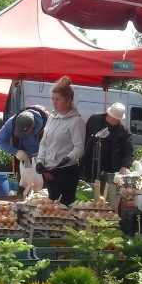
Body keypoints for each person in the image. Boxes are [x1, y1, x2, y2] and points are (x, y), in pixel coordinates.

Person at [35, 76, 86, 205]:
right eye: (53, 99)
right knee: (50, 209)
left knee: (63, 211)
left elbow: (79, 148)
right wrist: (40, 160)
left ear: (68, 100)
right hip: (49, 171)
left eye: (58, 99)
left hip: (66, 173)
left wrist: (68, 158)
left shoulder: (76, 121)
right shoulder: (52, 117)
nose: (54, 102)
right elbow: (44, 142)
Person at [80, 101, 134, 184]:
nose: (114, 121)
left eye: (117, 120)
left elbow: (129, 150)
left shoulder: (123, 130)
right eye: (113, 118)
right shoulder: (95, 120)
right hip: (90, 163)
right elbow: (84, 137)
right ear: (108, 114)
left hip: (111, 166)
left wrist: (125, 165)